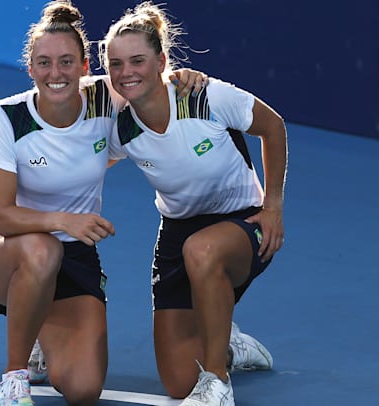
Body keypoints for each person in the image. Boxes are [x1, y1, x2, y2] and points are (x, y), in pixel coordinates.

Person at [0, 1, 206, 405]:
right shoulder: (5, 116)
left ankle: (43, 336)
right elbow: (5, 218)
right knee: (43, 249)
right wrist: (65, 220)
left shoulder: (104, 99)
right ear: (30, 68)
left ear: (84, 65)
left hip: (74, 257)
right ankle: (15, 376)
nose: (55, 74)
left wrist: (182, 77)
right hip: (7, 253)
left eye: (65, 62)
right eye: (44, 63)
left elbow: (147, 81)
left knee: (83, 388)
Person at [100, 2, 288, 405]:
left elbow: (273, 127)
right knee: (178, 380)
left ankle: (218, 384)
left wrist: (273, 207)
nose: (127, 72)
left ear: (161, 61)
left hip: (244, 222)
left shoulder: (205, 96)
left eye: (138, 60)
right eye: (116, 64)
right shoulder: (121, 125)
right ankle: (232, 348)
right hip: (177, 231)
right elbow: (88, 159)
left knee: (201, 250)